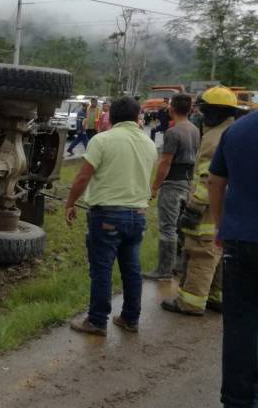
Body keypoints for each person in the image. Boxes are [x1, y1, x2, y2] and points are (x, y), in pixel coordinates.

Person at [65, 97, 157, 336]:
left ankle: (97, 321)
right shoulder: (148, 143)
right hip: (138, 215)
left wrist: (70, 203)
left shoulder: (102, 140)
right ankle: (130, 318)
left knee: (102, 269)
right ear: (138, 116)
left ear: (111, 116)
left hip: (106, 215)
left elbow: (83, 177)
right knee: (132, 269)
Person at [160, 86, 240, 316]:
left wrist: (193, 208)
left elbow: (208, 180)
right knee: (216, 254)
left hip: (208, 211)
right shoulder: (232, 132)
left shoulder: (213, 140)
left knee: (201, 254)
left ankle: (191, 303)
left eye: (205, 112)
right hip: (227, 209)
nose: (202, 117)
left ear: (214, 113)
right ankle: (216, 297)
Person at [208, 107, 258, 408]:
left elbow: (215, 181)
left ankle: (238, 399)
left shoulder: (238, 130)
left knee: (241, 323)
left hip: (240, 239)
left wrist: (220, 225)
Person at [144, 94, 201, 280]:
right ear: (190, 109)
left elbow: (165, 163)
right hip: (187, 183)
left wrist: (154, 187)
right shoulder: (194, 130)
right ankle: (179, 265)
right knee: (182, 228)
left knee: (167, 228)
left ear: (172, 109)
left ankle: (164, 270)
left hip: (172, 184)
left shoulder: (173, 132)